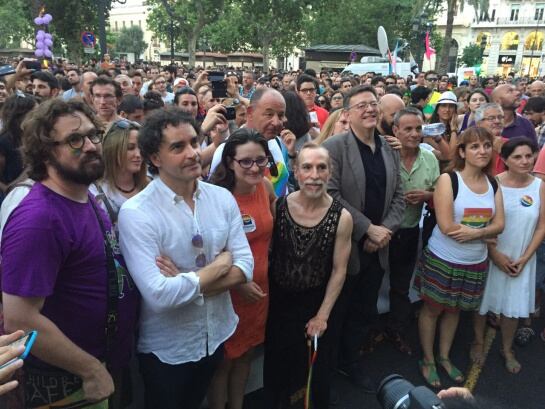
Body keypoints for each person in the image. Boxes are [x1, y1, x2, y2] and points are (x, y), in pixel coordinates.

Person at [1, 98, 139, 408]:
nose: (91, 146)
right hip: (63, 386)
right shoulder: (39, 220)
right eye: (76, 140)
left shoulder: (82, 193)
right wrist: (89, 369)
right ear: (46, 152)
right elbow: (19, 317)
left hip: (93, 371)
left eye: (93, 135)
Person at [117, 108, 253, 409]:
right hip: (168, 348)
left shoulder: (221, 198)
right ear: (154, 158)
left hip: (217, 333)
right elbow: (159, 296)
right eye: (178, 147)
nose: (193, 153)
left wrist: (184, 280)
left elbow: (245, 266)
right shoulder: (137, 213)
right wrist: (219, 266)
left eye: (194, 142)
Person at [322, 85, 405, 391]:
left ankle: (350, 361)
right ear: (347, 114)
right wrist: (367, 227)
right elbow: (329, 195)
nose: (370, 109)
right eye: (361, 106)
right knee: (337, 311)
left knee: (363, 311)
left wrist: (384, 232)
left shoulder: (388, 147)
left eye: (373, 104)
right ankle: (326, 369)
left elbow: (399, 195)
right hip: (345, 249)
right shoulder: (334, 147)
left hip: (377, 247)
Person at [414, 127, 504, 388]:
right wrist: (486, 235)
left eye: (486, 145)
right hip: (443, 258)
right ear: (462, 152)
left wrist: (478, 233)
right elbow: (447, 228)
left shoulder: (493, 182)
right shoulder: (449, 179)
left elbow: (500, 225)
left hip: (474, 261)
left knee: (454, 311)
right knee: (432, 309)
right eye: (474, 147)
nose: (482, 151)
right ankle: (428, 359)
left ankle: (443, 356)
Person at [264, 143, 352, 409]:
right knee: (277, 371)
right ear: (296, 172)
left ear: (330, 172)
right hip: (280, 304)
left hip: (317, 303)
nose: (314, 175)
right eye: (307, 167)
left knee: (319, 374)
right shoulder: (279, 207)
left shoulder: (342, 217)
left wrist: (322, 315)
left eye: (321, 167)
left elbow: (339, 270)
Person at [207, 129, 276, 409]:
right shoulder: (217, 198)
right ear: (230, 163)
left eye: (261, 160)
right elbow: (211, 253)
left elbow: (271, 225)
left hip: (260, 291)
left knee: (246, 353)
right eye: (245, 161)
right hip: (229, 292)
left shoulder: (266, 187)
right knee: (224, 362)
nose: (255, 167)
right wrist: (239, 281)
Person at [474, 137, 544, 374]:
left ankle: (507, 349)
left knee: (512, 307)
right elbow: (482, 223)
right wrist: (494, 254)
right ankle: (478, 342)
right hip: (493, 256)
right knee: (482, 304)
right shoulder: (493, 184)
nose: (525, 161)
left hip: (522, 258)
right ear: (504, 160)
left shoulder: (539, 186)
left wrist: (525, 258)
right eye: (517, 157)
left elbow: (542, 226)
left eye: (529, 155)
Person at [387, 108, 440, 354]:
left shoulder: (429, 158)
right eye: (407, 129)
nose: (414, 134)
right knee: (367, 285)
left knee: (400, 285)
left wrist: (427, 195)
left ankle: (397, 331)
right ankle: (361, 335)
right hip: (381, 231)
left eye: (418, 128)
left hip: (408, 231)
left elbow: (441, 193)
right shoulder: (385, 154)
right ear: (395, 130)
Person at [90, 119, 147, 230]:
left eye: (141, 148)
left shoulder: (151, 186)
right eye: (130, 148)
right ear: (113, 150)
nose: (138, 154)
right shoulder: (94, 192)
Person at [0, 94, 37, 195]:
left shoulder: (35, 137)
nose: (38, 117)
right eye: (34, 113)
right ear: (20, 116)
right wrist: (9, 190)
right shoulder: (4, 141)